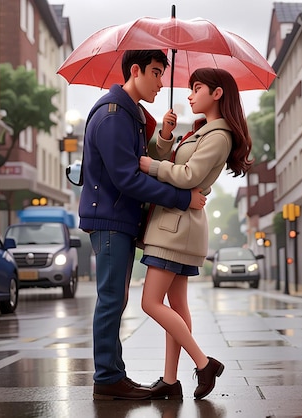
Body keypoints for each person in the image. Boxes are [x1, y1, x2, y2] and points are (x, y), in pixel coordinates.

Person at [78, 49, 207, 401]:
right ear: (135, 71)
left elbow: (143, 160)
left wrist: (163, 136)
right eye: (155, 72)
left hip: (117, 218)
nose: (160, 81)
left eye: (162, 74)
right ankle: (107, 378)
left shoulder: (130, 115)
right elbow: (127, 177)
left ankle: (113, 375)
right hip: (110, 219)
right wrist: (182, 199)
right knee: (110, 299)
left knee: (115, 298)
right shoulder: (114, 115)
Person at [138, 67, 253, 400]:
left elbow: (188, 175)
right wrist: (165, 135)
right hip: (178, 224)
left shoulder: (219, 135)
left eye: (197, 87)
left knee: (150, 303)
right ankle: (171, 381)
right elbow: (173, 161)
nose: (190, 94)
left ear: (217, 93)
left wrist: (151, 167)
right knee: (177, 305)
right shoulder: (201, 131)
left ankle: (203, 364)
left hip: (175, 227)